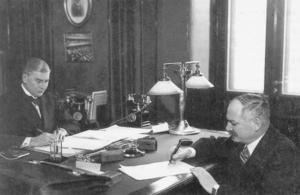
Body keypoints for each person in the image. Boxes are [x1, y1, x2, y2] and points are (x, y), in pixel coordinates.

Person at [169, 93, 300, 195]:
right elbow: (213, 144)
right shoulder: (243, 139)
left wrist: (216, 189)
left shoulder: (284, 152)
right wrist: (188, 151)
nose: (227, 128)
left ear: (256, 124)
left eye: (234, 123)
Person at [0, 58, 80, 149]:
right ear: (25, 78)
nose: (43, 86)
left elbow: (73, 123)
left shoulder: (50, 99)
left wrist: (62, 131)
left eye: (46, 81)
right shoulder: (5, 102)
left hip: (49, 154)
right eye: (38, 81)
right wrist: (32, 141)